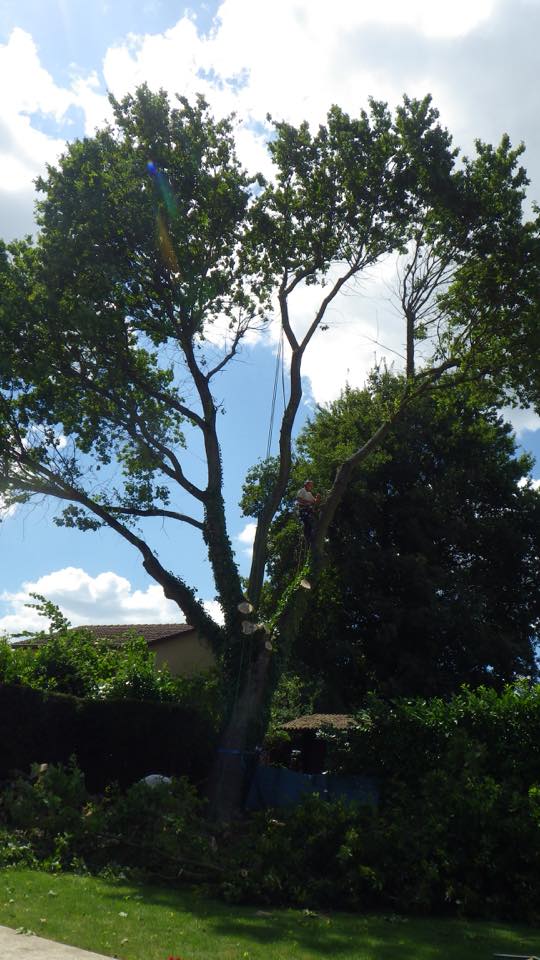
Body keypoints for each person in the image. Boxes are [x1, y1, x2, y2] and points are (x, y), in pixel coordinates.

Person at [296, 479, 320, 544]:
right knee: (307, 522)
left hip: (309, 510)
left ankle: (311, 537)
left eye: (312, 486)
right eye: (310, 485)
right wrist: (308, 502)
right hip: (302, 509)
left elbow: (314, 502)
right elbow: (299, 499)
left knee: (313, 521)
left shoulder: (309, 493)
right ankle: (307, 538)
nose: (311, 487)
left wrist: (317, 498)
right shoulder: (302, 490)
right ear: (306, 485)